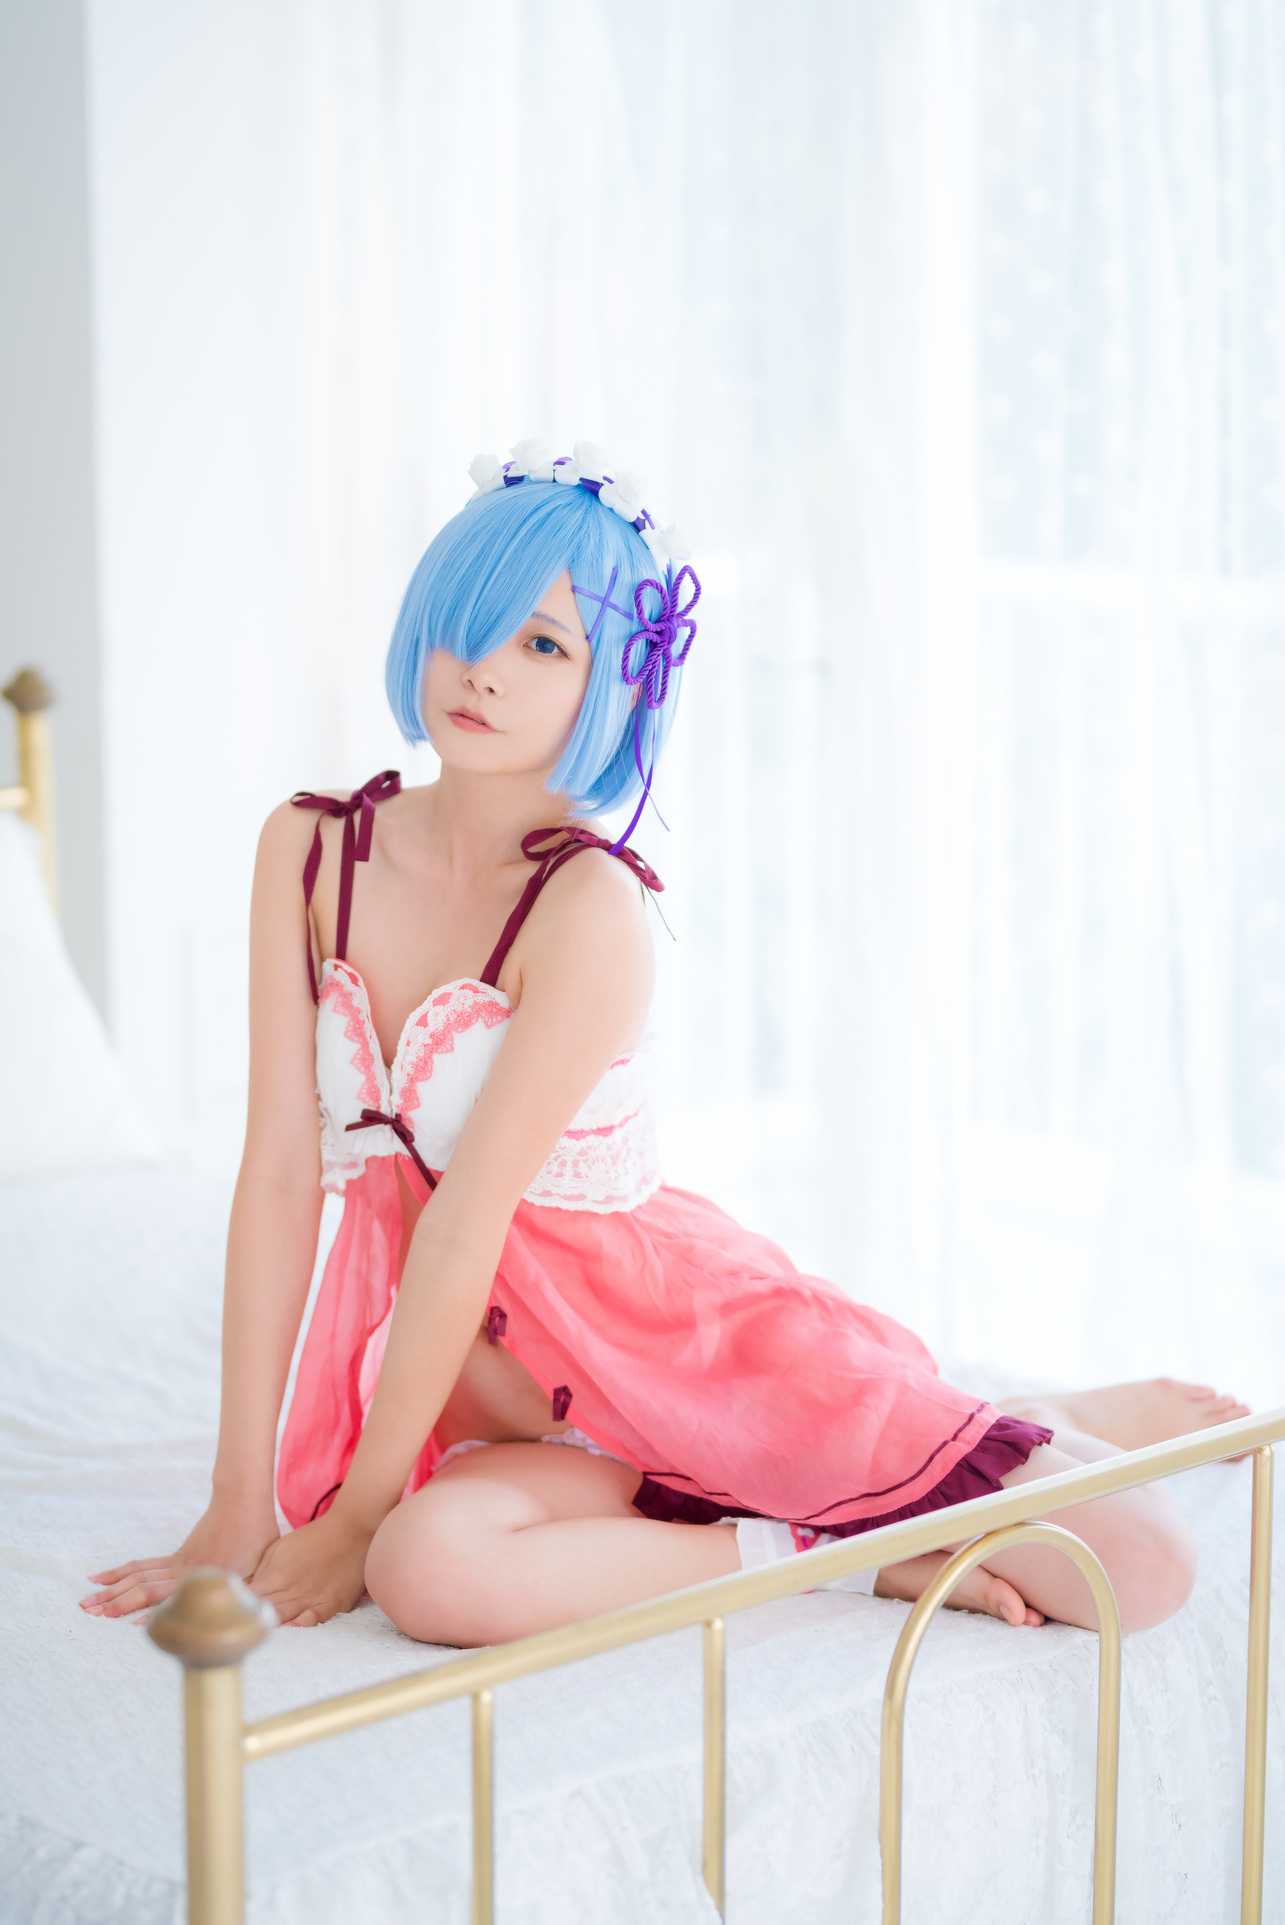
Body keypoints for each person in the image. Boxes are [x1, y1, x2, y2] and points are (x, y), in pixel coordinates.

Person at [78, 439, 1251, 1643]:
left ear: (615, 681)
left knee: (1140, 1567)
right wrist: (238, 1504)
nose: (484, 668)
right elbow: (281, 1173)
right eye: (468, 623)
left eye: (544, 644)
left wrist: (358, 1511)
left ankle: (968, 1454)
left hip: (673, 1359)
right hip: (513, 1419)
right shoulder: (309, 847)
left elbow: (468, 1216)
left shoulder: (587, 907)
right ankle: (841, 1542)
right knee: (429, 1574)